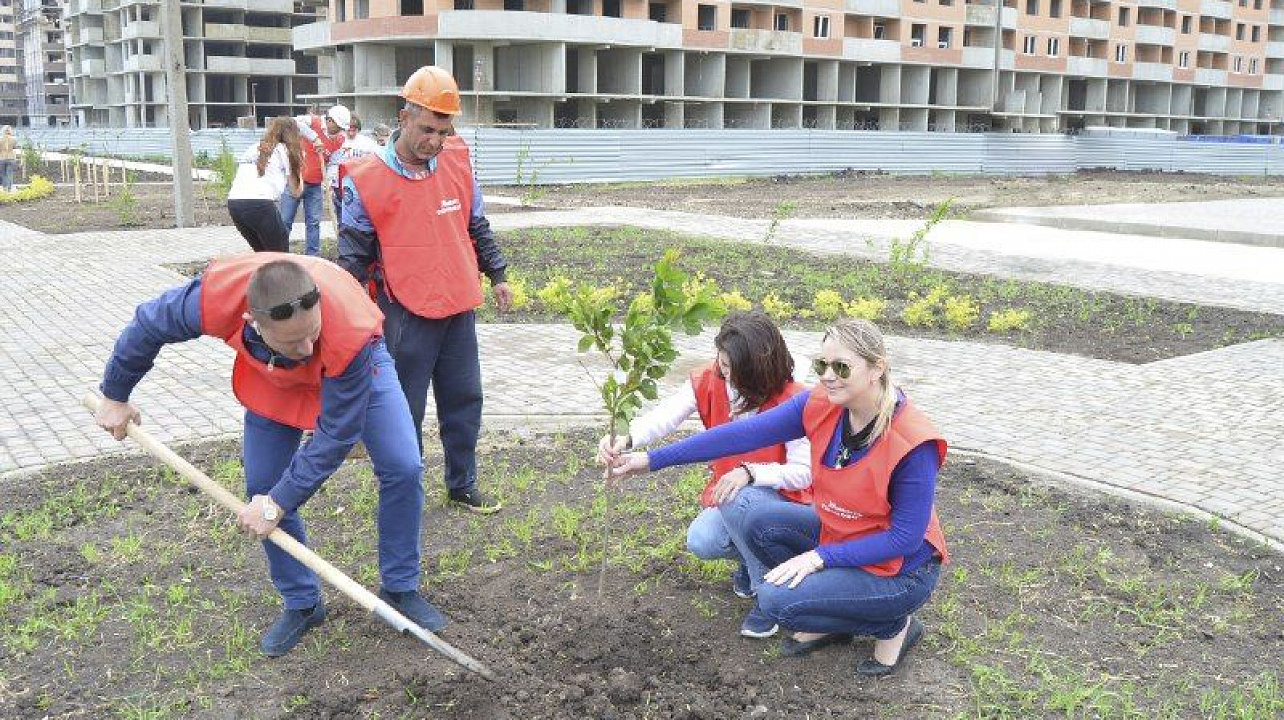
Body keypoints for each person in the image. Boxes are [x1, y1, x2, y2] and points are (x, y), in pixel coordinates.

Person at [93, 254, 448, 657]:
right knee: (263, 485)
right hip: (273, 375)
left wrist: (278, 503)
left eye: (312, 332)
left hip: (352, 362)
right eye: (294, 340)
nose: (308, 347)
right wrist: (115, 395)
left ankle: (400, 588)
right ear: (252, 322)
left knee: (403, 465)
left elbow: (335, 436)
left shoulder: (348, 329)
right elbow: (148, 325)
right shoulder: (216, 297)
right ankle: (303, 603)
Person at [608, 319, 948, 676]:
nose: (828, 376)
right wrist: (650, 460)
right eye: (822, 365)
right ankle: (835, 613)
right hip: (843, 533)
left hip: (902, 571)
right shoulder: (823, 405)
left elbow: (904, 539)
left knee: (776, 601)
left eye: (841, 367)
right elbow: (739, 435)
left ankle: (894, 625)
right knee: (759, 523)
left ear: (877, 368)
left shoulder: (911, 442)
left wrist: (820, 558)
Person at [338, 65, 512, 514]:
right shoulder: (364, 180)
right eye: (427, 129)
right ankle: (405, 490)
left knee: (464, 399)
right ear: (404, 117)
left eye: (444, 131)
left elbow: (476, 224)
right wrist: (347, 318)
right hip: (403, 311)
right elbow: (352, 258)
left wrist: (498, 274)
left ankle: (462, 484)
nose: (435, 141)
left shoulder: (458, 161)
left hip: (456, 303)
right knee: (403, 409)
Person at [596, 311, 811, 616]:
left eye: (733, 368)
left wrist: (751, 473)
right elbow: (665, 416)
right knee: (703, 539)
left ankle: (768, 594)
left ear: (756, 369)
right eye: (722, 363)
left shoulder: (795, 400)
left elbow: (804, 473)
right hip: (732, 495)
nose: (724, 374)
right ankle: (755, 560)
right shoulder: (712, 380)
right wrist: (626, 439)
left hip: (784, 500)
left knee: (737, 495)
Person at [227, 116, 304, 253]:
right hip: (259, 203)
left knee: (262, 253)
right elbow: (296, 191)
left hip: (235, 203)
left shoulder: (254, 147)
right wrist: (299, 166)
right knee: (280, 254)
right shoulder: (285, 151)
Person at [282, 105, 348, 256]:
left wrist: (329, 181)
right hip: (296, 180)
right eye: (338, 127)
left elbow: (334, 163)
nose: (339, 131)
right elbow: (293, 122)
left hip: (315, 185)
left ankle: (313, 257)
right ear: (330, 120)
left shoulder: (340, 140)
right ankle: (279, 253)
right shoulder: (314, 121)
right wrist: (314, 138)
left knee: (313, 222)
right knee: (285, 220)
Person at [326, 112, 380, 225]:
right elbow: (332, 164)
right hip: (341, 184)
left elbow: (377, 161)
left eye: (354, 128)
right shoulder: (338, 142)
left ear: (358, 128)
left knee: (359, 214)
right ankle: (342, 233)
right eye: (349, 128)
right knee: (341, 215)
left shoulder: (368, 143)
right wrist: (330, 182)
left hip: (360, 185)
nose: (351, 131)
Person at [0, 125, 17, 193]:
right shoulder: (14, 139)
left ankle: (4, 188)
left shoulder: (0, 139)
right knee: (10, 174)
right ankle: (9, 189)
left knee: (3, 174)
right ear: (10, 131)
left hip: (2, 158)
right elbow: (14, 148)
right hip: (11, 158)